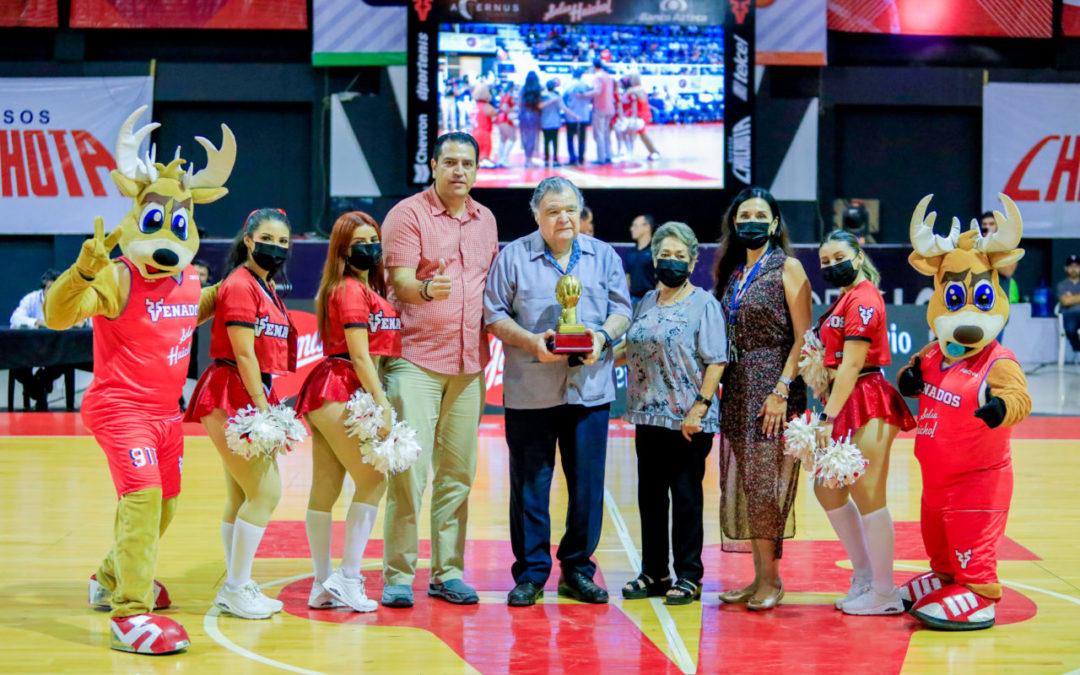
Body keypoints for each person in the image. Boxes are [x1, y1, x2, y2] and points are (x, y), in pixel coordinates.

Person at [44, 107, 230, 655]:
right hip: (120, 408)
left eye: (178, 226)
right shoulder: (117, 275)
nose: (167, 242)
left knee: (166, 504)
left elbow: (188, 312)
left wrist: (232, 288)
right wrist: (81, 272)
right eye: (156, 223)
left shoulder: (187, 277)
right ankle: (130, 614)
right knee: (144, 499)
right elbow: (57, 317)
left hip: (166, 414)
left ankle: (109, 579)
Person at [484, 176, 632, 607]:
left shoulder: (603, 255)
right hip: (531, 390)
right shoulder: (512, 257)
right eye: (552, 211)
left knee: (587, 486)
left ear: (580, 212)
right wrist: (532, 341)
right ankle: (531, 573)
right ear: (537, 215)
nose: (562, 218)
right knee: (530, 485)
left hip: (590, 390)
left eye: (570, 209)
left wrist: (602, 339)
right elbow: (493, 314)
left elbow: (622, 309)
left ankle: (577, 570)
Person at [380, 131, 498, 608]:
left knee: (458, 475)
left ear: (475, 169)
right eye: (449, 162)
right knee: (409, 473)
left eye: (467, 163)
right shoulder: (407, 215)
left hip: (470, 366)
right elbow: (399, 280)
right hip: (415, 362)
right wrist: (427, 290)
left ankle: (448, 572)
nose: (459, 171)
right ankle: (398, 576)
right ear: (432, 165)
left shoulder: (486, 219)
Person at [184, 208, 296, 620]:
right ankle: (235, 587)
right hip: (232, 390)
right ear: (249, 239)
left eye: (283, 241)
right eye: (268, 238)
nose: (276, 247)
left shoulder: (263, 285)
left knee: (241, 494)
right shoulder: (239, 285)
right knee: (266, 493)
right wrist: (264, 408)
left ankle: (237, 583)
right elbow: (244, 353)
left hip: (246, 390)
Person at [295, 211, 402, 613]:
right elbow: (359, 354)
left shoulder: (353, 286)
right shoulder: (350, 290)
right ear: (343, 248)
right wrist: (383, 402)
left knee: (326, 487)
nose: (370, 247)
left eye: (373, 238)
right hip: (342, 385)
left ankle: (323, 584)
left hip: (328, 388)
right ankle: (348, 576)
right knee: (373, 478)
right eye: (360, 241)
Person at [713, 187, 811, 611]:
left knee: (765, 485)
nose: (750, 221)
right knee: (749, 485)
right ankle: (757, 579)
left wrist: (781, 390)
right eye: (743, 215)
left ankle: (772, 580)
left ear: (773, 224)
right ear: (735, 224)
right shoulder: (734, 272)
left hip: (773, 387)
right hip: (737, 386)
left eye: (760, 215)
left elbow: (805, 337)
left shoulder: (788, 267)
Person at [619, 222, 727, 605]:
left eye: (680, 256)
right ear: (654, 258)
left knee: (684, 498)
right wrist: (588, 351)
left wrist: (700, 406)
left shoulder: (704, 304)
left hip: (687, 421)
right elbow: (629, 349)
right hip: (647, 416)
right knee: (650, 497)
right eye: (665, 254)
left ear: (694, 261)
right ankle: (655, 572)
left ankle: (689, 575)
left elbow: (716, 361)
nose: (672, 261)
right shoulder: (646, 301)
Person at [813, 230, 916, 615]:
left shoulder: (864, 298)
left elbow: (853, 363)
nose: (831, 265)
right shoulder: (845, 298)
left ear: (857, 256)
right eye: (824, 261)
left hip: (867, 396)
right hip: (846, 396)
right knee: (828, 489)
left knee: (868, 494)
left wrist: (827, 416)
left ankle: (886, 592)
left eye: (838, 257)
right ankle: (865, 576)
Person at [9, 268, 71, 410]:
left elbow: (85, 320)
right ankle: (39, 392)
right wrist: (38, 322)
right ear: (43, 289)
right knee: (17, 365)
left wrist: (82, 322)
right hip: (29, 349)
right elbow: (15, 319)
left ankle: (41, 383)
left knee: (64, 359)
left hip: (55, 350)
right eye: (50, 288)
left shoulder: (67, 300)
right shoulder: (31, 299)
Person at [981, 211, 1020, 302]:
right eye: (984, 224)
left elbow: (1008, 272)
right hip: (980, 298)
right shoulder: (976, 244)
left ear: (997, 226)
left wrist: (990, 251)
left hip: (999, 299)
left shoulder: (1007, 245)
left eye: (991, 224)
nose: (987, 227)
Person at [540, 79, 580, 167]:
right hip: (554, 122)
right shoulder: (556, 96)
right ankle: (554, 159)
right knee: (554, 141)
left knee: (547, 141)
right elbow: (564, 108)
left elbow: (540, 106)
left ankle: (547, 159)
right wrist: (575, 115)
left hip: (546, 122)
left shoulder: (543, 96)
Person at [625, 214, 656, 306]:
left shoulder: (655, 251)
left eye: (635, 225)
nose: (631, 229)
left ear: (647, 227)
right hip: (633, 300)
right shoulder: (630, 253)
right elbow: (628, 278)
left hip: (652, 301)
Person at [627, 73, 660, 161]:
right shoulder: (638, 89)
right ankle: (652, 152)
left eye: (630, 79)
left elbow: (631, 92)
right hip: (640, 113)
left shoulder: (638, 89)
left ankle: (654, 152)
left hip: (643, 114)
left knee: (642, 134)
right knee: (641, 135)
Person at [588, 59, 615, 165]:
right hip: (610, 107)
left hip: (600, 107)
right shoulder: (608, 76)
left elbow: (597, 91)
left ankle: (601, 158)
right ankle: (609, 155)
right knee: (606, 133)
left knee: (598, 134)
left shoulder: (597, 77)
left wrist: (584, 94)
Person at [563, 67, 592, 166]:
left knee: (570, 138)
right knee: (582, 138)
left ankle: (572, 158)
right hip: (583, 115)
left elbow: (563, 99)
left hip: (571, 115)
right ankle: (581, 158)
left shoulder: (568, 85)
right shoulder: (586, 85)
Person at [519, 72, 543, 168]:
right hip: (534, 115)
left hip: (524, 115)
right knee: (532, 138)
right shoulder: (538, 90)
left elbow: (520, 103)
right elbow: (540, 105)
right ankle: (529, 160)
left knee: (525, 137)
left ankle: (527, 159)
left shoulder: (523, 90)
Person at [1058, 254, 1080, 353]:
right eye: (1071, 266)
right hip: (1069, 314)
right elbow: (1065, 301)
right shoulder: (1062, 285)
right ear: (1066, 268)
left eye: (1076, 266)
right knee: (1070, 329)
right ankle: (1077, 347)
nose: (1073, 269)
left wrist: (1072, 296)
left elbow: (1069, 299)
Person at [472, 84, 497, 168]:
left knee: (477, 149)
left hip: (474, 131)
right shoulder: (486, 106)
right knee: (486, 147)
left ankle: (480, 160)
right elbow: (493, 114)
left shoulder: (475, 106)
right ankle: (484, 160)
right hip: (484, 131)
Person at [495, 83, 519, 168]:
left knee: (503, 139)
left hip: (501, 118)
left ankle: (500, 159)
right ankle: (504, 159)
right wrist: (513, 110)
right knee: (512, 138)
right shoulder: (509, 96)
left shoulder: (504, 95)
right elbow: (504, 108)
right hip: (505, 119)